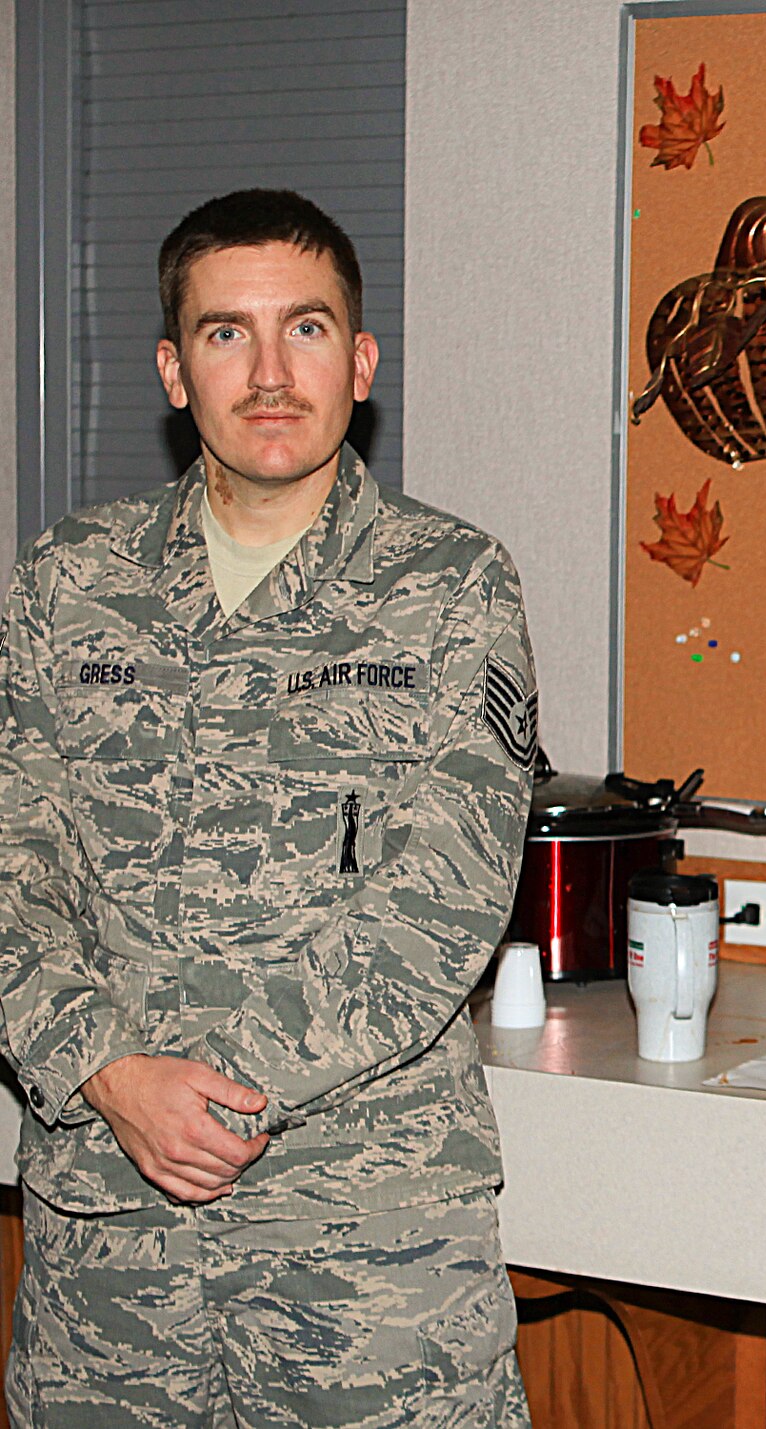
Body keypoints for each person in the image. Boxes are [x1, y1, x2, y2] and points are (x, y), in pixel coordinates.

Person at [0, 189, 538, 1425]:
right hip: (108, 1246)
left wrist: (218, 1086)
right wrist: (109, 1071)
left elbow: (441, 900)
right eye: (224, 333)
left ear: (358, 360)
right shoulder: (68, 580)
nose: (269, 372)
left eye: (304, 328)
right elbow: (11, 857)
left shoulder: (451, 585)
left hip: (365, 1244)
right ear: (172, 371)